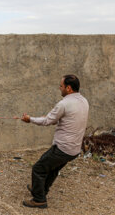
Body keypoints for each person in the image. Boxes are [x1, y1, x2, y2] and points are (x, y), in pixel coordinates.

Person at [20, 75, 89, 208]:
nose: (59, 88)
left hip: (63, 148)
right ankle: (40, 190)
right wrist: (49, 118)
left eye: (61, 86)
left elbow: (47, 121)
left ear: (68, 88)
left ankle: (39, 199)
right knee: (52, 169)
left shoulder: (64, 103)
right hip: (74, 150)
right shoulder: (84, 101)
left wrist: (30, 119)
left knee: (38, 169)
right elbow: (65, 119)